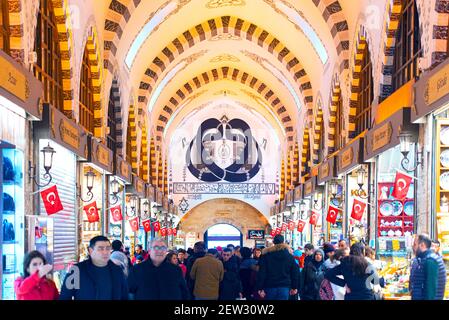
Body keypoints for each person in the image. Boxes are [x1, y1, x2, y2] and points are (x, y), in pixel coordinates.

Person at [59, 236, 128, 300]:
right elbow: (65, 296)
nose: (105, 252)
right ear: (90, 251)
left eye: (108, 248)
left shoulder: (117, 270)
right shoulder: (77, 270)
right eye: (100, 249)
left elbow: (124, 295)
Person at [256, 235, 299, 300]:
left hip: (269, 286)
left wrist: (260, 287)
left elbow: (262, 272)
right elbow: (295, 273)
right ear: (283, 242)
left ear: (273, 242)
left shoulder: (266, 256)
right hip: (284, 287)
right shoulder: (289, 257)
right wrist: (294, 287)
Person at [409, 234, 446, 300]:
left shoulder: (430, 260)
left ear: (422, 245)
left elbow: (430, 290)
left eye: (415, 244)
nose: (413, 247)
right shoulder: (426, 259)